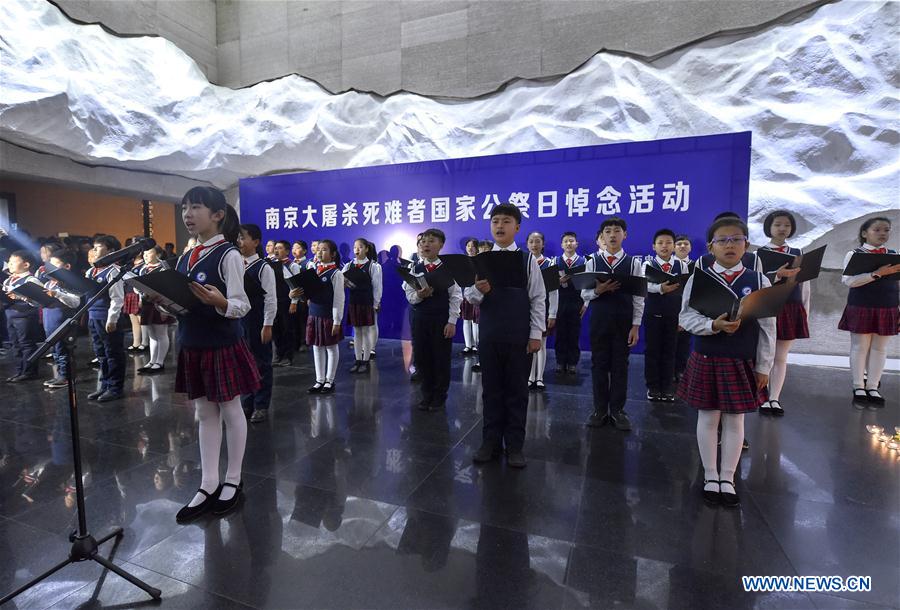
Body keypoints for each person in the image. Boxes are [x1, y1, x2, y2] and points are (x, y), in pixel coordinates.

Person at [170, 186, 260, 522]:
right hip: (192, 342)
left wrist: (219, 302)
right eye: (184, 208)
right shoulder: (185, 256)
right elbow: (183, 304)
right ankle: (208, 483)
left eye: (195, 208)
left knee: (232, 409)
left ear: (218, 215)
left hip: (222, 343)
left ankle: (233, 480)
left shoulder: (229, 255)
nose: (188, 215)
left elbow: (241, 305)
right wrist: (165, 301)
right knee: (204, 414)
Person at [677, 216, 776, 508]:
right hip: (707, 356)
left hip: (742, 359)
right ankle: (710, 476)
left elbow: (769, 327)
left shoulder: (759, 280)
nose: (730, 245)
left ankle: (728, 478)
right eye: (723, 240)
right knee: (708, 417)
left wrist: (764, 366)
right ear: (711, 247)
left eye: (736, 239)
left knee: (735, 420)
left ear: (746, 244)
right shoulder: (699, 278)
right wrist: (713, 326)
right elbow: (685, 317)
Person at [465, 204, 545, 468]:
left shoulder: (527, 260)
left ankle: (514, 446)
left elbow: (538, 298)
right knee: (491, 391)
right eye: (495, 221)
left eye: (506, 221)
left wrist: (536, 335)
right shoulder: (482, 260)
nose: (500, 226)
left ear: (517, 227)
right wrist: (479, 290)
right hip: (489, 334)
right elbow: (470, 297)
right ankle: (490, 442)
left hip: (519, 335)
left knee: (517, 392)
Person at [582, 218, 644, 431]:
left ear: (624, 235)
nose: (612, 235)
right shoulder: (592, 262)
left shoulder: (634, 263)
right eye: (608, 231)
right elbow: (584, 293)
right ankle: (599, 409)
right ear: (602, 236)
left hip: (623, 321)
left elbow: (638, 297)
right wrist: (597, 291)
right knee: (598, 365)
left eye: (617, 231)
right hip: (599, 320)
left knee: (620, 366)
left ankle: (617, 410)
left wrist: (636, 325)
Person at [838, 216, 900, 406]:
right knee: (860, 347)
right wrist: (877, 274)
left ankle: (873, 386)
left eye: (886, 230)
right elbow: (848, 281)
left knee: (880, 348)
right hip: (862, 304)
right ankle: (858, 385)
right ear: (865, 233)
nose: (883, 233)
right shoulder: (854, 254)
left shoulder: (893, 253)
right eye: (877, 230)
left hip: (888, 305)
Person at [757, 210, 812, 416]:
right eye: (778, 224)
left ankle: (774, 398)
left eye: (787, 225)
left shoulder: (798, 253)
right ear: (769, 227)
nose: (782, 229)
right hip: (767, 306)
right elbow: (757, 284)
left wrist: (805, 311)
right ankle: (761, 397)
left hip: (791, 307)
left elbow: (804, 286)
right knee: (764, 354)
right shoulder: (758, 254)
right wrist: (776, 275)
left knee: (781, 356)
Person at [403, 229, 461, 411]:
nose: (426, 244)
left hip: (441, 319)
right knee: (422, 357)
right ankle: (426, 394)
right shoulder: (413, 268)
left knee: (440, 358)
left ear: (441, 245)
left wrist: (452, 321)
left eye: (431, 241)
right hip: (419, 319)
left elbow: (456, 296)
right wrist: (419, 296)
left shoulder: (448, 268)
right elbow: (409, 294)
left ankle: (439, 396)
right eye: (423, 242)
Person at [238, 224, 277, 423]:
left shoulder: (263, 267)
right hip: (239, 320)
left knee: (261, 363)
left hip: (257, 319)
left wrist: (267, 324)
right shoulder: (236, 265)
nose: (239, 242)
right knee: (243, 362)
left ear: (256, 242)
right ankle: (247, 401)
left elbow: (271, 298)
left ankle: (261, 404)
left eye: (243, 238)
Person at [294, 240, 344, 394]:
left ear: (333, 254)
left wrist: (337, 320)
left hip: (328, 315)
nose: (320, 252)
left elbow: (339, 299)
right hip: (314, 314)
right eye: (319, 250)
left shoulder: (336, 273)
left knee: (330, 347)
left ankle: (330, 380)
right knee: (317, 347)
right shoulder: (312, 269)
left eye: (324, 250)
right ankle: (319, 380)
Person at [642, 229, 686, 402]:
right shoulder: (647, 265)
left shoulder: (681, 265)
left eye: (668, 242)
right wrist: (660, 288)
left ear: (674, 246)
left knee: (670, 351)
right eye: (660, 243)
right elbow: (643, 286)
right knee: (652, 351)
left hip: (674, 313)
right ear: (654, 246)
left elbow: (686, 293)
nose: (664, 246)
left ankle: (667, 387)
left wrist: (683, 317)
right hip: (653, 312)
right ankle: (652, 386)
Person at [85, 235, 126, 402]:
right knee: (100, 353)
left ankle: (115, 387)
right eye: (93, 247)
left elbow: (117, 298)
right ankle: (104, 384)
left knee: (112, 353)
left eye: (98, 247)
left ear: (110, 251)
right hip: (93, 315)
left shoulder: (113, 271)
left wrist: (112, 319)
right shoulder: (91, 271)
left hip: (106, 316)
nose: (94, 250)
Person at [2, 250, 44, 382]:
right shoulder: (9, 279)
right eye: (9, 261)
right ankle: (20, 370)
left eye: (14, 261)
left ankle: (30, 371)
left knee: (27, 344)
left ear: (26, 265)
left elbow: (39, 300)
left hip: (25, 315)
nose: (10, 264)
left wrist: (20, 296)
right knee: (15, 344)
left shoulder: (31, 280)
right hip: (10, 314)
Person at [41, 248, 81, 388]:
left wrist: (57, 294)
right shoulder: (49, 282)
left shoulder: (71, 283)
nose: (50, 268)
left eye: (55, 264)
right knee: (55, 350)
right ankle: (59, 374)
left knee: (63, 349)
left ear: (67, 266)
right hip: (49, 319)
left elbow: (75, 303)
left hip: (63, 320)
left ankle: (66, 377)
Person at [344, 238, 382, 373]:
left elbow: (377, 286)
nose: (357, 250)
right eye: (355, 247)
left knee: (365, 331)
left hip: (366, 302)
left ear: (366, 249)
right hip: (354, 301)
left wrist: (376, 303)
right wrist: (348, 284)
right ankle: (357, 360)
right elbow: (342, 279)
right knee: (357, 332)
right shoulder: (349, 265)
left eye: (360, 247)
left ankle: (365, 361)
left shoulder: (373, 266)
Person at [525, 231, 558, 391]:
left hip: (542, 308)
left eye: (537, 241)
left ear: (543, 244)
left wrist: (552, 313)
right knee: (528, 344)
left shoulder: (549, 264)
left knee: (541, 344)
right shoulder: (523, 261)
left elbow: (553, 292)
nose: (534, 244)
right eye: (531, 241)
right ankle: (530, 377)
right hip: (525, 309)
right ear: (527, 244)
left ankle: (539, 378)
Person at [553, 231, 588, 375]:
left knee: (574, 333)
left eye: (571, 241)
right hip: (560, 302)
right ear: (562, 245)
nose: (569, 243)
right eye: (566, 241)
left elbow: (588, 284)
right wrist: (558, 281)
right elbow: (549, 284)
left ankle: (573, 362)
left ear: (576, 244)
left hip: (576, 302)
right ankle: (560, 362)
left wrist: (585, 304)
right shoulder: (554, 261)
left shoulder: (584, 262)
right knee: (560, 333)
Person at [135, 245, 173, 375]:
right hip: (147, 303)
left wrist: (164, 308)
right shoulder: (143, 269)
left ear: (158, 254)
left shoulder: (163, 268)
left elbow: (167, 287)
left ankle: (160, 362)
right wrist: (140, 296)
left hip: (159, 304)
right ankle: (152, 361)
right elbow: (138, 286)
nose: (145, 255)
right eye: (144, 253)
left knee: (161, 333)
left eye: (149, 253)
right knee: (152, 334)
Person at [272, 240, 301, 366]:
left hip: (287, 301)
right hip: (275, 301)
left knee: (287, 329)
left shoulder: (292, 265)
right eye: (275, 248)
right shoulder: (271, 265)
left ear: (287, 251)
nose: (276, 250)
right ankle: (279, 354)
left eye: (279, 248)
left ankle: (288, 356)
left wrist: (294, 302)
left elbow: (297, 286)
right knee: (276, 330)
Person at [673, 234, 693, 380]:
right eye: (679, 244)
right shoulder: (668, 265)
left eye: (685, 244)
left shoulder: (696, 266)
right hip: (669, 310)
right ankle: (668, 370)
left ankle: (680, 371)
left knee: (684, 343)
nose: (682, 246)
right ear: (674, 247)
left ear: (690, 247)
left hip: (688, 311)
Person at [124, 247, 148, 354]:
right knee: (133, 321)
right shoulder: (130, 264)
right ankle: (136, 343)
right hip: (129, 293)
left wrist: (141, 297)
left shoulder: (144, 265)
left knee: (141, 320)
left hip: (138, 294)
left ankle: (145, 343)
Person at [460, 238, 481, 356]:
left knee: (476, 321)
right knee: (466, 320)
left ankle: (476, 346)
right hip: (465, 293)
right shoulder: (463, 261)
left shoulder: (480, 261)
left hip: (477, 294)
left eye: (472, 246)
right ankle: (468, 345)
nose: (470, 248)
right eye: (468, 245)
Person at [291, 239, 311, 352]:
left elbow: (310, 282)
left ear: (304, 251)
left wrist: (308, 297)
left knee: (303, 320)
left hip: (304, 297)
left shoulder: (308, 263)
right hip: (293, 297)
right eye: (293, 248)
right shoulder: (291, 264)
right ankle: (295, 342)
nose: (294, 250)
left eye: (297, 248)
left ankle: (304, 342)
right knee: (294, 320)